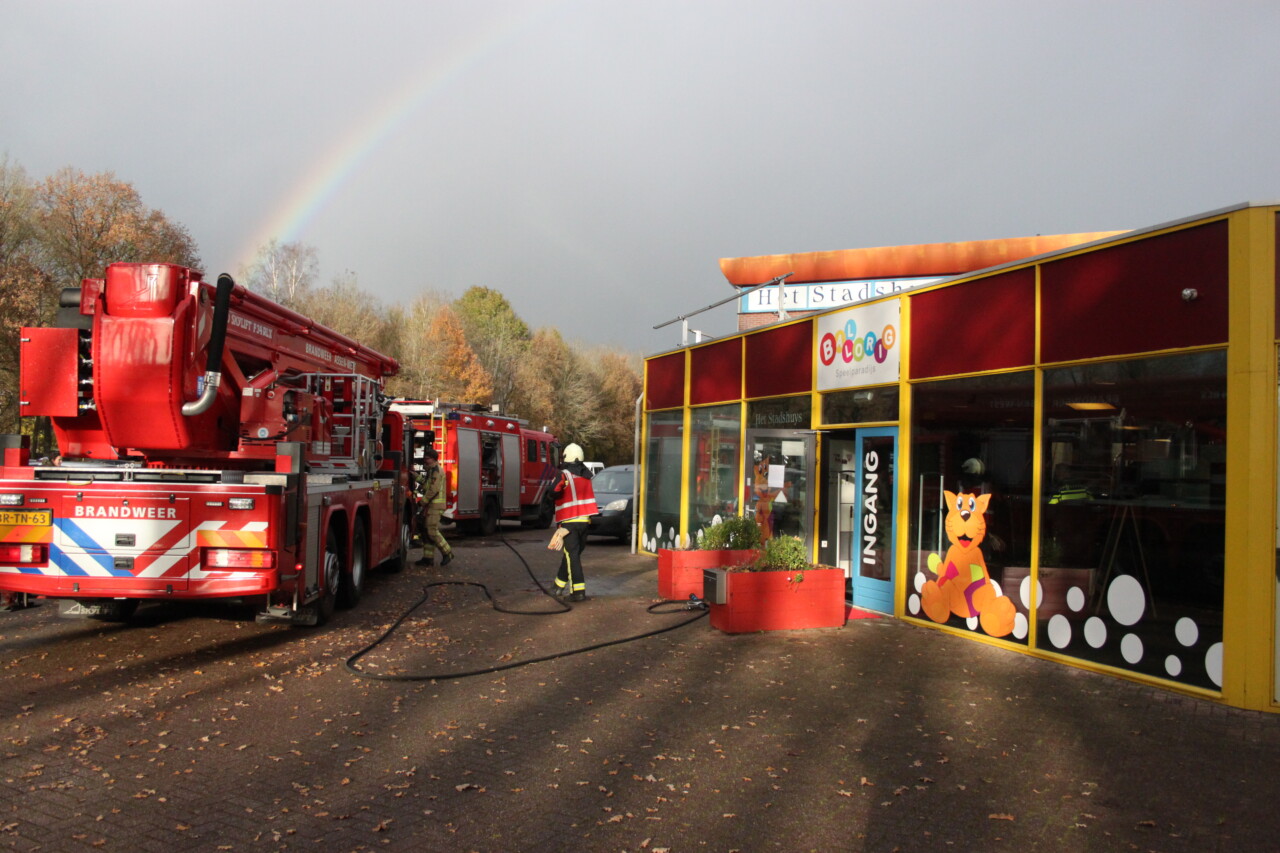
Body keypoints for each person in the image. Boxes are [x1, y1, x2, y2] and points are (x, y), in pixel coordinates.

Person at [549, 443, 598, 601]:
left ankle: (578, 592)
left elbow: (553, 491)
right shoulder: (586, 475)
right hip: (585, 522)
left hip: (569, 522)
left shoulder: (564, 475)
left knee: (573, 557)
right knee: (572, 555)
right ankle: (558, 586)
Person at [413, 447, 453, 567]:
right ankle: (428, 558)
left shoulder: (436, 471)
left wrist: (422, 502)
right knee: (426, 532)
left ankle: (447, 553)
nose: (425, 460)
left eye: (428, 458)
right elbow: (426, 485)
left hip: (435, 505)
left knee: (431, 530)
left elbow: (433, 489)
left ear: (434, 459)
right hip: (431, 505)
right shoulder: (431, 470)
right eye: (424, 458)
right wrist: (415, 475)